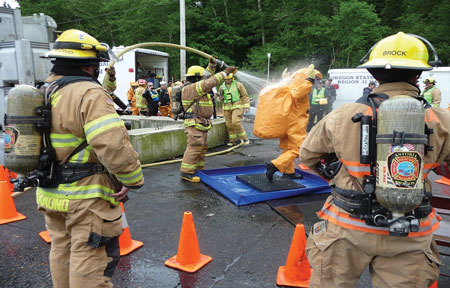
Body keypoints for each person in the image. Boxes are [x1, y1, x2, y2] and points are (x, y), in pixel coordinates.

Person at [300, 32, 444, 287]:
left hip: (347, 227)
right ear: (418, 75)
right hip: (410, 232)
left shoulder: (342, 115)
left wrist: (338, 171)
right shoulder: (441, 120)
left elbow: (307, 156)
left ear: (374, 75)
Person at [38, 29, 144, 288]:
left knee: (62, 251)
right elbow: (112, 144)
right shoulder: (88, 93)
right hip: (84, 198)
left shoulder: (45, 89)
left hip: (51, 193)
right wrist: (133, 179)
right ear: (89, 65)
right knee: (90, 261)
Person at [180, 59, 237, 182]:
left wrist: (212, 65)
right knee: (195, 147)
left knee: (202, 148)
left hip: (201, 123)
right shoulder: (192, 88)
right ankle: (186, 172)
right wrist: (226, 72)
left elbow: (207, 77)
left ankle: (199, 169)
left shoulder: (196, 86)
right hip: (194, 123)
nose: (203, 78)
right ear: (196, 78)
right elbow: (210, 82)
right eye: (200, 77)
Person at [263, 65, 320, 180]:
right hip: (295, 123)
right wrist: (309, 80)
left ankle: (288, 172)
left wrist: (287, 79)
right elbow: (298, 93)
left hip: (288, 122)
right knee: (299, 148)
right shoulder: (299, 88)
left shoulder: (289, 87)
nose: (316, 81)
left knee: (288, 148)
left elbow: (292, 89)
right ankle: (275, 165)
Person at [218, 73, 251, 146]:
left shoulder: (238, 84)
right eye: (226, 79)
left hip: (237, 106)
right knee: (229, 125)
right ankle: (233, 140)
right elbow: (219, 97)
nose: (227, 81)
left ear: (232, 78)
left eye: (228, 79)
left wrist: (246, 106)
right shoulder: (221, 87)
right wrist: (220, 98)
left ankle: (245, 138)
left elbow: (245, 95)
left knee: (236, 122)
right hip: (226, 108)